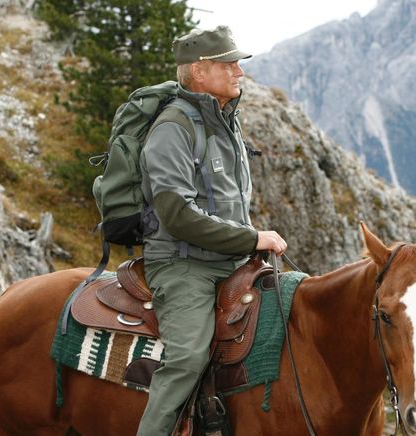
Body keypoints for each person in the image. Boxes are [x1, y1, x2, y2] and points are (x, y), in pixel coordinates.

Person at [137, 25, 287, 435]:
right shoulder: (172, 129)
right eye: (230, 63)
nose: (239, 71)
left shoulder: (227, 123)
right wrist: (253, 238)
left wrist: (247, 245)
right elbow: (177, 216)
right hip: (184, 266)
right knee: (187, 359)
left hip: (233, 260)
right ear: (200, 72)